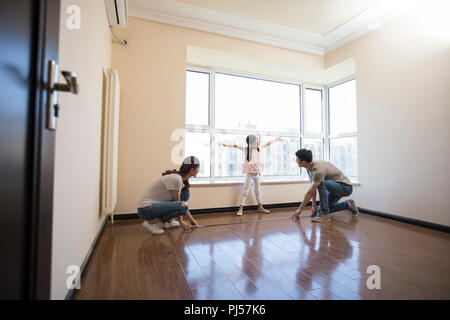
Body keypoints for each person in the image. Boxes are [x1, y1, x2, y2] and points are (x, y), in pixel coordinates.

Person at [221, 135, 282, 216]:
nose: (257, 143)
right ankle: (240, 208)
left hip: (257, 174)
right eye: (256, 142)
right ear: (250, 143)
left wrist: (276, 139)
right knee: (245, 191)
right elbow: (236, 146)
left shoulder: (259, 149)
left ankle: (260, 207)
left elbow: (268, 143)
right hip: (249, 174)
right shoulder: (246, 149)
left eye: (257, 142)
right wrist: (226, 145)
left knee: (258, 191)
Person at [291, 149, 359, 222]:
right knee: (321, 209)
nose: (296, 160)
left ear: (304, 162)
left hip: (345, 187)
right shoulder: (309, 168)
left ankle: (324, 215)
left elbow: (309, 193)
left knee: (321, 183)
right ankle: (348, 204)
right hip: (335, 188)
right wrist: (314, 206)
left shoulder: (317, 170)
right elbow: (312, 189)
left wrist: (299, 209)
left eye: (297, 159)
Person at [137, 156, 200, 234]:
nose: (198, 170)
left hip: (152, 207)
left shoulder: (178, 179)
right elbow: (180, 204)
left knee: (185, 194)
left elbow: (179, 202)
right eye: (198, 168)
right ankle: (150, 223)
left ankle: (169, 222)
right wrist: (185, 220)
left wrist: (187, 220)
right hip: (146, 209)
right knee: (184, 205)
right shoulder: (177, 179)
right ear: (192, 170)